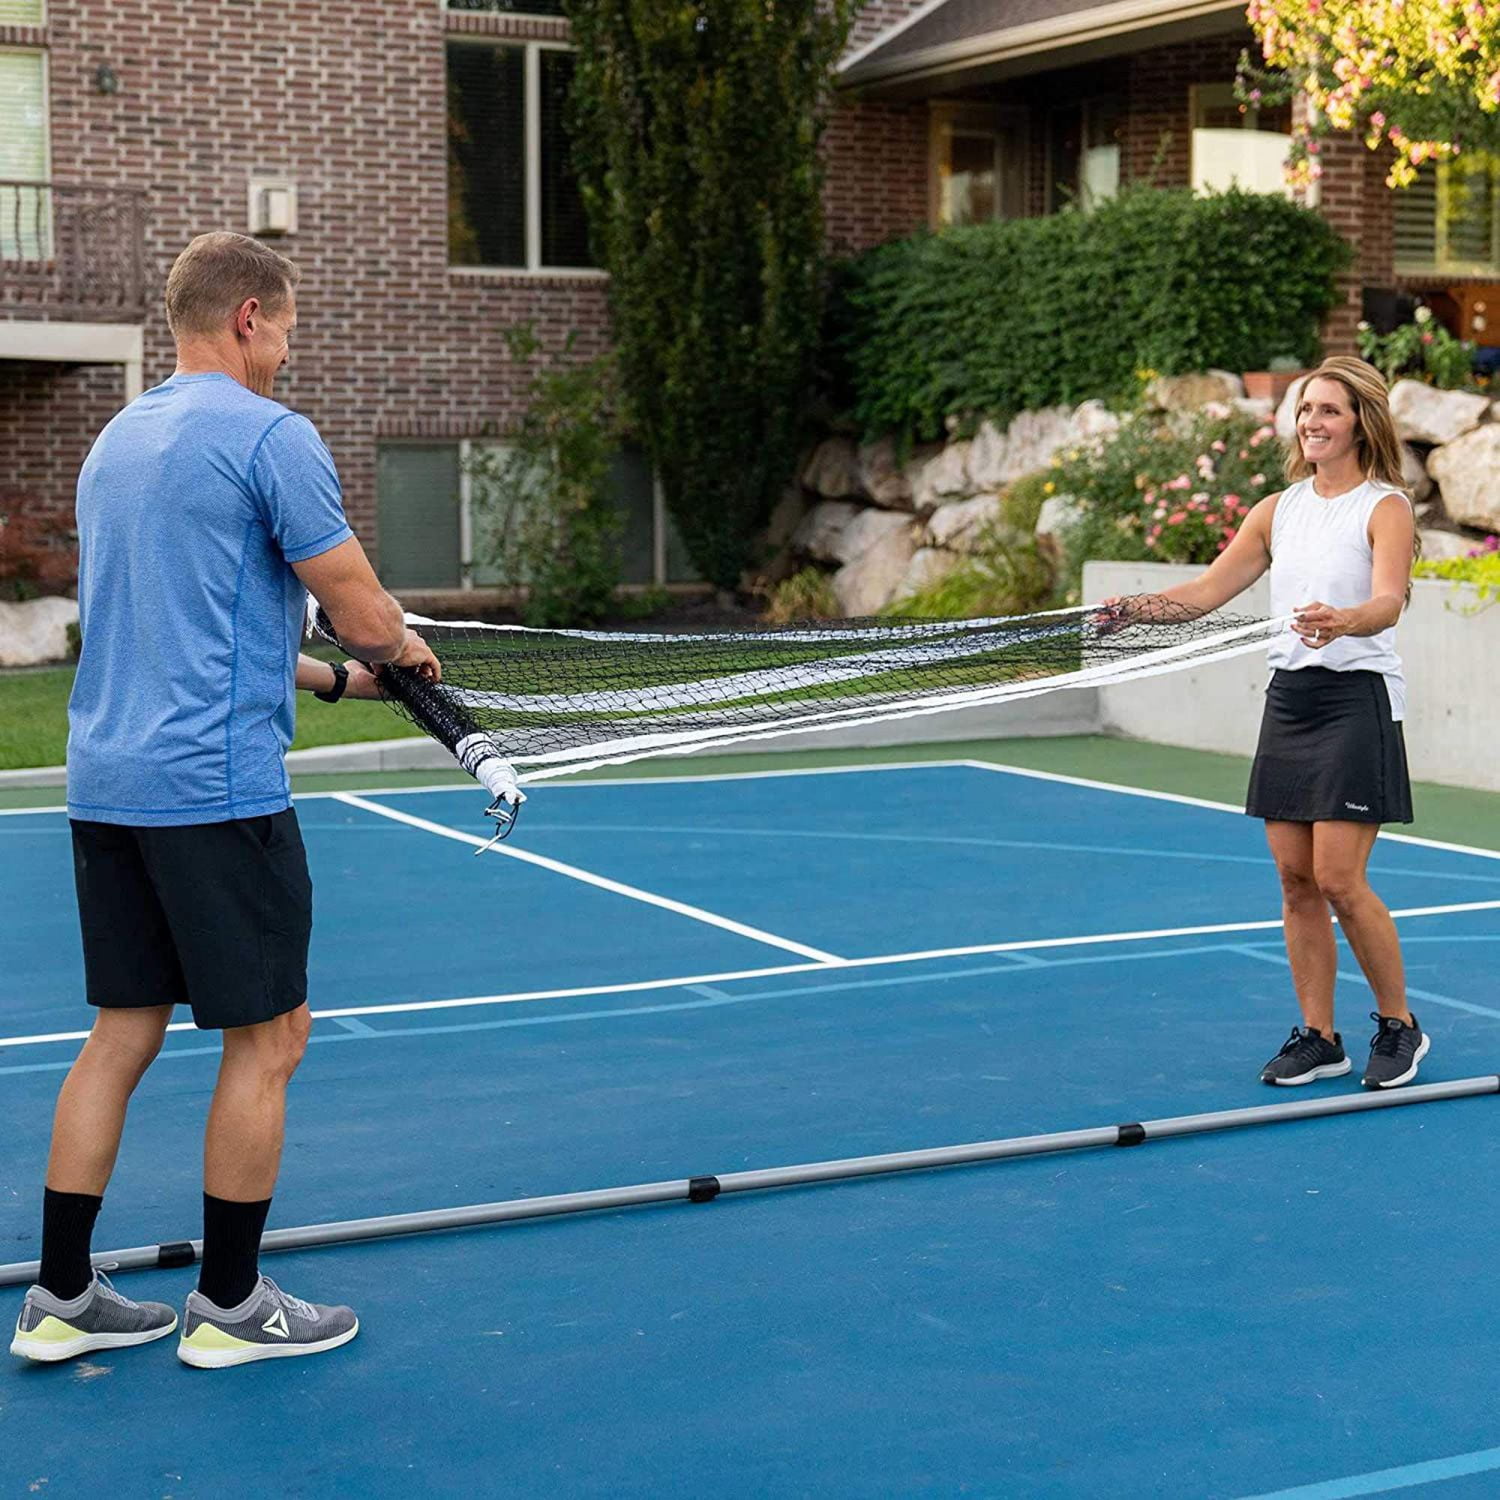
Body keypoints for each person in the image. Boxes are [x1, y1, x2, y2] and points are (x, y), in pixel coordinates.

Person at [10, 231, 438, 1369]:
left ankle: (58, 1299)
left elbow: (185, 625)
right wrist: (402, 649)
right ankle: (232, 1307)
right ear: (249, 315)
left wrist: (341, 678)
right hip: (215, 789)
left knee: (120, 1034)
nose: (288, 350)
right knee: (272, 1037)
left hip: (109, 784)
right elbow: (353, 598)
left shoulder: (118, 442)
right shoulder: (270, 436)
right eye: (288, 327)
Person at [1106, 355, 1425, 1090]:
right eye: (1306, 409)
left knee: (1340, 878)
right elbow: (1210, 589)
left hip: (1355, 699)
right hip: (1290, 700)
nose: (1312, 421)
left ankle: (1400, 1026)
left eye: (1329, 411)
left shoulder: (1385, 507)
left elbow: (1388, 602)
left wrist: (1344, 622)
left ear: (1360, 424)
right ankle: (1320, 1037)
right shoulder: (1279, 508)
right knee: (1293, 880)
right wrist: (1132, 612)